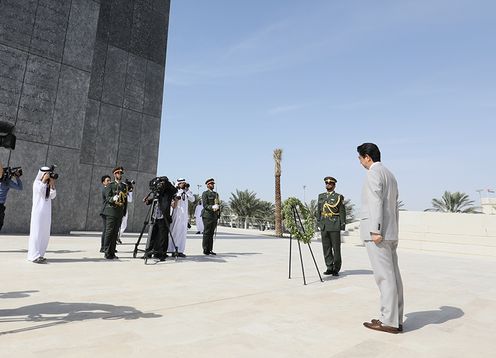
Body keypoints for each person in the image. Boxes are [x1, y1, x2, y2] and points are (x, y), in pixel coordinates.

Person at [357, 143, 404, 334]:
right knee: (394, 277)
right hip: (390, 232)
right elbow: (394, 206)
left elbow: (375, 200)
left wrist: (375, 230)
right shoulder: (390, 175)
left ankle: (388, 322)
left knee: (384, 278)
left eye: (360, 158)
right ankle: (395, 319)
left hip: (379, 233)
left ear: (367, 157)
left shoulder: (374, 173)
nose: (360, 162)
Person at [316, 176, 346, 276]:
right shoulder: (321, 196)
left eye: (330, 183)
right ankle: (329, 267)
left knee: (336, 248)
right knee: (326, 247)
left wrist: (342, 224)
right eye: (326, 183)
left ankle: (336, 268)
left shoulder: (338, 197)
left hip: (334, 224)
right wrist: (319, 222)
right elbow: (319, 210)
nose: (328, 185)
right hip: (324, 224)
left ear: (334, 185)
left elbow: (342, 211)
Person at [27, 167, 57, 263]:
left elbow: (53, 196)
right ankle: (33, 255)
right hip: (38, 213)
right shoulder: (36, 183)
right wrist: (44, 180)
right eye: (47, 173)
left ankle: (40, 254)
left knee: (45, 234)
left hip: (46, 213)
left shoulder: (47, 185)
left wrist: (52, 184)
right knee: (36, 233)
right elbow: (40, 190)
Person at [144, 177, 176, 261]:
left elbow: (174, 190)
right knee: (152, 235)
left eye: (162, 183)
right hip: (154, 216)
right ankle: (149, 252)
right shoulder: (158, 191)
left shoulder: (168, 192)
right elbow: (155, 198)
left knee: (163, 237)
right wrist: (148, 201)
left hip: (163, 217)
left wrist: (166, 182)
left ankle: (162, 254)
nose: (161, 184)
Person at [102, 166, 128, 260]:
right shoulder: (110, 185)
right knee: (109, 232)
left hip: (119, 212)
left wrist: (124, 212)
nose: (119, 175)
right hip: (111, 211)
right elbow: (107, 197)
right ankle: (106, 251)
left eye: (121, 173)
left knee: (115, 233)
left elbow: (125, 200)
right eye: (118, 173)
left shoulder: (124, 186)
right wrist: (113, 198)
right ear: (114, 174)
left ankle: (112, 252)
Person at [168, 178, 194, 257]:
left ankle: (180, 250)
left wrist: (187, 190)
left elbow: (192, 199)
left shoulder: (186, 192)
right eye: (182, 183)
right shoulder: (176, 192)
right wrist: (180, 191)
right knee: (175, 232)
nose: (184, 184)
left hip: (184, 216)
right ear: (178, 184)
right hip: (177, 215)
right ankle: (173, 250)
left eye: (184, 183)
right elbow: (173, 202)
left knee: (182, 233)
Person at [0, 165, 23, 231]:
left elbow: (20, 188)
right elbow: (20, 187)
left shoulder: (7, 181)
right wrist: (17, 177)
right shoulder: (7, 182)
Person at [201, 178, 220, 255]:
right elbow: (205, 205)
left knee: (212, 233)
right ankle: (205, 249)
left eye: (213, 184)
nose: (212, 185)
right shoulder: (205, 193)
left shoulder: (216, 194)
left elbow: (218, 204)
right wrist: (212, 207)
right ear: (207, 185)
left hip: (214, 216)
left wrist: (218, 213)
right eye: (211, 184)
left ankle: (210, 249)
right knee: (207, 233)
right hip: (207, 215)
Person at [99, 175, 111, 253]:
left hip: (109, 212)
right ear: (103, 182)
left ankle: (108, 247)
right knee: (106, 230)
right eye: (107, 180)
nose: (109, 182)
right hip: (105, 212)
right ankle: (103, 247)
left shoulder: (109, 189)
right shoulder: (105, 189)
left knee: (108, 230)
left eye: (110, 180)